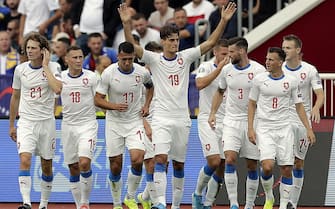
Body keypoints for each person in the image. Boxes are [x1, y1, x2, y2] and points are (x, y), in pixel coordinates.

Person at [118, 2, 236, 209]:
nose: (175, 43)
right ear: (163, 41)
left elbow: (210, 43)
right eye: (171, 40)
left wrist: (224, 21)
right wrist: (127, 25)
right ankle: (161, 203)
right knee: (160, 159)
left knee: (179, 165)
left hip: (182, 119)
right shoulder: (154, 60)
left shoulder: (186, 57)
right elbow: (132, 47)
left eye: (177, 40)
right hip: (161, 119)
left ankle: (176, 205)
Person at [247, 47, 316, 209]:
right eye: (266, 59)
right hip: (264, 128)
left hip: (284, 128)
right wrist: (250, 128)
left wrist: (308, 129)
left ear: (280, 62)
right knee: (267, 166)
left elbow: (299, 106)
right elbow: (251, 104)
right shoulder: (259, 80)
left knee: (286, 167)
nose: (267, 62)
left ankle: (284, 205)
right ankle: (269, 196)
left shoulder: (291, 81)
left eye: (271, 60)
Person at [94, 41, 154, 209]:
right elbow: (97, 99)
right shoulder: (108, 73)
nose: (127, 63)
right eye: (124, 59)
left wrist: (147, 105)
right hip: (114, 123)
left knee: (138, 158)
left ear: (134, 57)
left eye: (130, 59)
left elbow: (150, 87)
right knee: (115, 165)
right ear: (118, 56)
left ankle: (130, 196)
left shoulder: (142, 72)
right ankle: (116, 203)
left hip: (134, 121)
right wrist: (113, 106)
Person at [209, 37, 266, 209]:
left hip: (252, 122)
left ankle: (249, 204)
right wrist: (212, 113)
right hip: (231, 121)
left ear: (242, 51)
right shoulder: (227, 70)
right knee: (230, 159)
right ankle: (233, 203)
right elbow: (220, 91)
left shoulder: (258, 70)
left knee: (251, 164)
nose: (229, 55)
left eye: (232, 51)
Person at [9, 32, 62, 209]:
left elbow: (57, 89)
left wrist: (46, 66)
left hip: (47, 123)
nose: (29, 51)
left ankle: (43, 204)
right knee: (25, 159)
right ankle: (26, 203)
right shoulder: (20, 69)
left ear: (43, 51)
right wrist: (11, 124)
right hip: (26, 122)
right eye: (28, 47)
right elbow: (15, 97)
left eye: (33, 48)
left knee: (46, 165)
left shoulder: (54, 67)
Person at [281, 34, 324, 209]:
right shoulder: (279, 67)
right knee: (284, 162)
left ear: (298, 50)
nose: (284, 51)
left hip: (302, 121)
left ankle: (293, 203)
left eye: (288, 48)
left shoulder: (309, 70)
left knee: (298, 162)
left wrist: (315, 108)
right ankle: (281, 202)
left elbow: (320, 94)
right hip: (282, 120)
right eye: (283, 48)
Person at [192, 39, 230, 209]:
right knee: (213, 161)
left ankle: (208, 203)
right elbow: (199, 84)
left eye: (229, 54)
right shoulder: (205, 66)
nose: (227, 57)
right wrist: (220, 68)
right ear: (215, 52)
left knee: (222, 164)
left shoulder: (234, 69)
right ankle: (198, 193)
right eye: (223, 54)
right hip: (207, 119)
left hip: (227, 121)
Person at [60, 45, 98, 209]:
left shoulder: (92, 77)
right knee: (73, 167)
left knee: (84, 163)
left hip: (87, 125)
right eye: (74, 57)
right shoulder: (60, 77)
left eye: (80, 57)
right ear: (66, 60)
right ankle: (78, 205)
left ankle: (85, 202)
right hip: (68, 126)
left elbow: (101, 98)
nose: (78, 60)